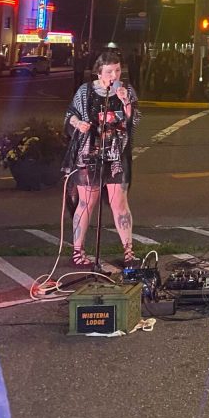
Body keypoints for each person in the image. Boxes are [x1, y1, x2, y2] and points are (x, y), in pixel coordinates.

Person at [62, 47, 140, 268]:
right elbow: (70, 115)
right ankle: (78, 252)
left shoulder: (126, 90)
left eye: (117, 71)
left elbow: (134, 121)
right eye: (109, 72)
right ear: (98, 73)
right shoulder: (85, 91)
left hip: (116, 154)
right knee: (87, 203)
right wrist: (79, 124)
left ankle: (128, 252)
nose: (114, 76)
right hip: (89, 154)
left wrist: (126, 103)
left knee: (120, 204)